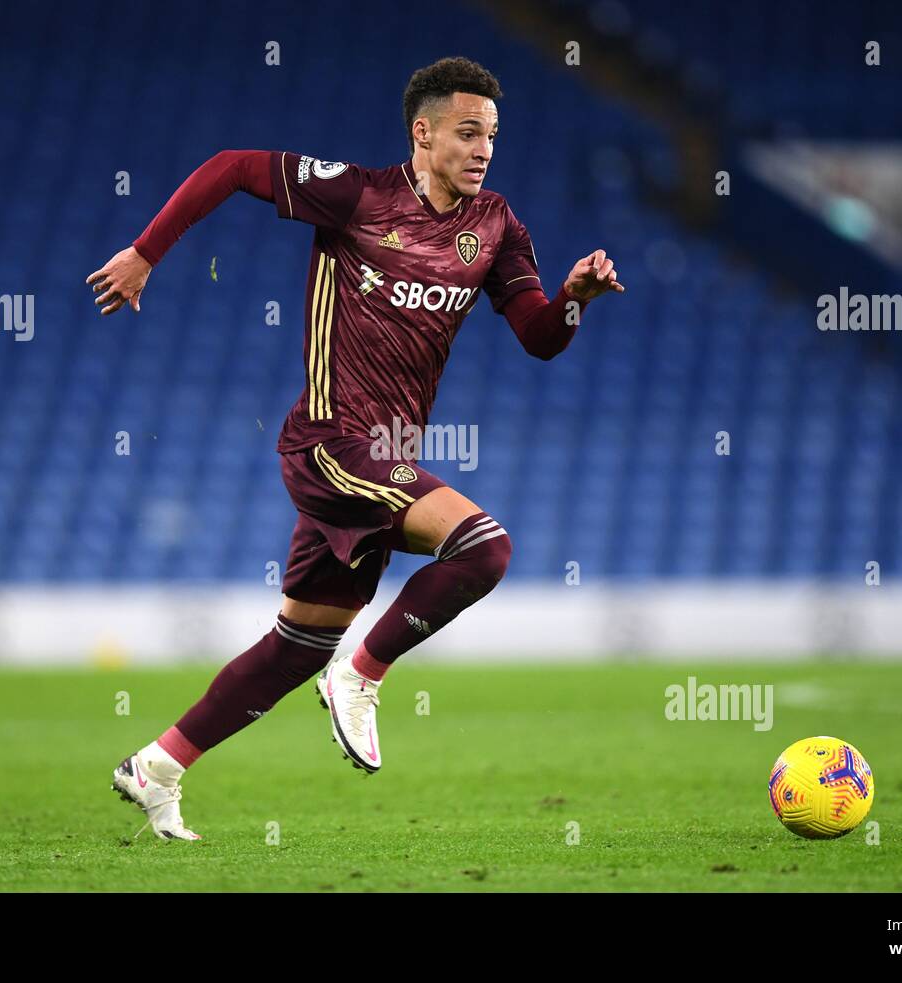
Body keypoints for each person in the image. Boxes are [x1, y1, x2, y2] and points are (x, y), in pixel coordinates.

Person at [89, 57, 623, 840]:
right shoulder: (358, 196)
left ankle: (157, 766)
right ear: (424, 131)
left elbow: (539, 339)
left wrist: (574, 300)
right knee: (485, 548)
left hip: (387, 456)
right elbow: (233, 167)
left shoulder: (497, 226)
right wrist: (144, 252)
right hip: (331, 442)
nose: (483, 149)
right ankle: (364, 672)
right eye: (468, 133)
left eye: (492, 137)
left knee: (295, 646)